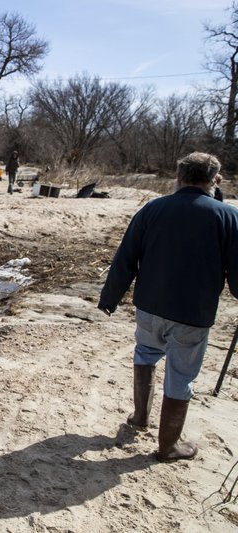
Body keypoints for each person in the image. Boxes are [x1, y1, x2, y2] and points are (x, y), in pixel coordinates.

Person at [98, 152, 238, 462]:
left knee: (145, 354)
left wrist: (110, 298)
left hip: (150, 305)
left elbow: (126, 257)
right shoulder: (227, 216)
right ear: (214, 179)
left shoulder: (153, 209)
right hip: (193, 313)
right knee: (181, 375)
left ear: (179, 176)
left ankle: (139, 417)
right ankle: (168, 446)